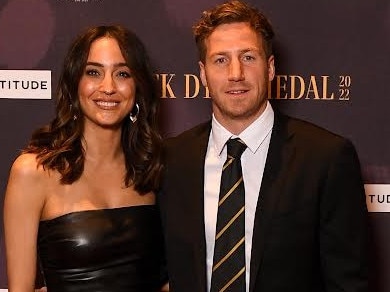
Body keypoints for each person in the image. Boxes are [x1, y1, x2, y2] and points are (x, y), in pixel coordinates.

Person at [159, 1, 369, 291]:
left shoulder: (326, 158)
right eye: (221, 60)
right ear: (203, 74)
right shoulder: (171, 160)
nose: (236, 73)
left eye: (248, 57)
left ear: (270, 68)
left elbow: (348, 283)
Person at [4, 25, 168, 291]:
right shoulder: (34, 172)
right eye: (93, 72)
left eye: (122, 73)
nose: (108, 87)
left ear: (138, 87)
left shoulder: (154, 169)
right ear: (74, 84)